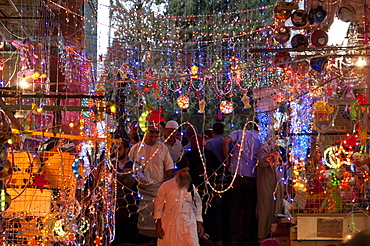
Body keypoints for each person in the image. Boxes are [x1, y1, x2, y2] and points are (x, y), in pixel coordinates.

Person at [128, 125, 174, 243]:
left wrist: (166, 179)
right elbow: (130, 165)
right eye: (151, 136)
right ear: (145, 134)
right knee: (140, 215)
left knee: (156, 214)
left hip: (157, 188)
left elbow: (169, 166)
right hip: (140, 189)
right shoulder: (136, 148)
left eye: (155, 136)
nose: (153, 139)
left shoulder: (162, 148)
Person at [222, 124, 261, 246]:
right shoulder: (261, 138)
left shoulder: (239, 133)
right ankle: (247, 239)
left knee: (234, 208)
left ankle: (233, 238)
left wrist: (227, 159)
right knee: (249, 209)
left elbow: (225, 141)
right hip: (252, 176)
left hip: (236, 175)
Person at [154, 157, 204, 246]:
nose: (186, 174)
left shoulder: (191, 187)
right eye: (183, 171)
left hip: (189, 224)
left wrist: (199, 223)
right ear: (177, 171)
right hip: (171, 224)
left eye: (187, 171)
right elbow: (158, 206)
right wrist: (158, 225)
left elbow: (198, 204)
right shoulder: (165, 186)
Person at [111, 139, 139, 245]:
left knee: (127, 238)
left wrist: (132, 176)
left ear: (127, 150)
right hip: (114, 207)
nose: (117, 151)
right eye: (115, 148)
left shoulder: (134, 165)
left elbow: (143, 182)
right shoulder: (110, 164)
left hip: (129, 208)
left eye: (120, 148)